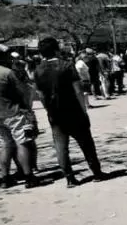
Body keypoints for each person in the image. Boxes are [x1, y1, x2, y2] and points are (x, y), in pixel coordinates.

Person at [33, 37, 110, 188]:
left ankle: (69, 178)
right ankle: (96, 172)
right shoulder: (67, 65)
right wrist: (84, 109)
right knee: (86, 143)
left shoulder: (38, 70)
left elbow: (40, 94)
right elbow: (78, 90)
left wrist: (48, 109)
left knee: (61, 146)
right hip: (73, 110)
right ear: (56, 49)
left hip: (55, 113)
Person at [0, 47, 43, 189]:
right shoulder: (8, 73)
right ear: (2, 58)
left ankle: (5, 177)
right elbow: (21, 91)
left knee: (6, 145)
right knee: (22, 143)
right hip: (13, 112)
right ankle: (29, 177)